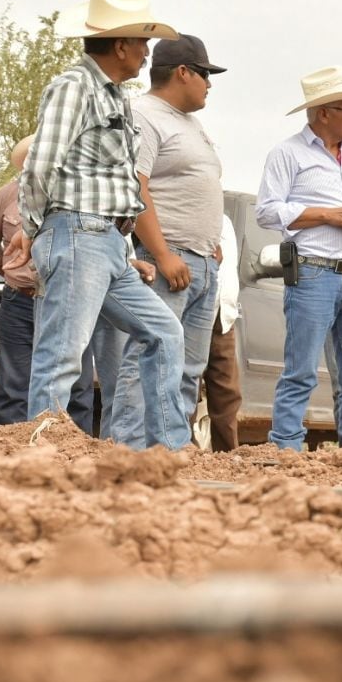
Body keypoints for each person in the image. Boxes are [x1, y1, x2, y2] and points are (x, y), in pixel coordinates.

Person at [6, 0, 189, 450]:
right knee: (62, 354)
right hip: (76, 233)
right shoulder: (74, 86)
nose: (147, 51)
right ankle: (42, 454)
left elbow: (114, 184)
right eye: (142, 41)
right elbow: (40, 165)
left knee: (164, 331)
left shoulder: (115, 96)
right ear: (121, 45)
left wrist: (121, 248)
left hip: (105, 241)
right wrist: (33, 228)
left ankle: (168, 449)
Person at [257, 65, 342, 450]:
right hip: (314, 272)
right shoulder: (287, 153)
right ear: (324, 113)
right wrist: (328, 215)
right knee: (301, 371)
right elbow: (266, 211)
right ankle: (286, 448)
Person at [110, 34, 227, 449]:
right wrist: (161, 253)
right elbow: (135, 185)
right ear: (182, 72)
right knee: (151, 353)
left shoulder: (191, 124)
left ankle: (169, 450)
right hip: (169, 259)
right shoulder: (144, 115)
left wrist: (211, 243)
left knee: (188, 368)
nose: (209, 84)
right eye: (205, 74)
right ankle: (129, 448)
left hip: (201, 261)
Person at [0, 135, 94, 432]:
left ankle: (74, 450)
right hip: (20, 299)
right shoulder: (8, 194)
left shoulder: (81, 195)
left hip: (70, 300)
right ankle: (9, 451)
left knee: (77, 384)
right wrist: (13, 272)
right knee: (14, 384)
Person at [203, 215, 241, 451]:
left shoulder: (225, 221)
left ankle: (228, 458)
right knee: (186, 387)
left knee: (227, 394)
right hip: (194, 313)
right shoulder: (184, 212)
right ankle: (182, 456)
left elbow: (229, 270)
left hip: (224, 318)